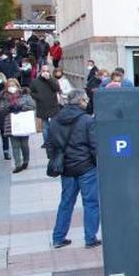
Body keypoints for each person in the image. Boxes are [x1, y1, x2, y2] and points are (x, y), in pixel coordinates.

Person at [47, 89, 101, 249]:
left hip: (66, 169)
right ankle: (90, 239)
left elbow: (49, 144)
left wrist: (56, 159)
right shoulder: (87, 120)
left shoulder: (55, 120)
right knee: (91, 203)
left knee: (65, 203)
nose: (87, 103)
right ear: (81, 102)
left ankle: (58, 238)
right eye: (85, 100)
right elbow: (95, 146)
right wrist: (95, 163)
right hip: (86, 168)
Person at [0, 80, 35, 173]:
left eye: (13, 85)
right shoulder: (4, 97)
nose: (12, 87)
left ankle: (26, 161)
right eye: (9, 86)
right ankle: (18, 164)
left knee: (24, 144)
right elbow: (1, 109)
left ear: (17, 86)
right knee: (15, 145)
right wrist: (8, 108)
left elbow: (32, 105)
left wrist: (22, 107)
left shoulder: (25, 95)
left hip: (23, 122)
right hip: (11, 122)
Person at [31, 65, 61, 136]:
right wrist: (38, 97)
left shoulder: (53, 80)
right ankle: (47, 143)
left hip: (53, 105)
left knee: (54, 126)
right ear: (41, 71)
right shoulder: (35, 81)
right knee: (45, 126)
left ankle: (54, 141)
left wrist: (49, 79)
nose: (45, 73)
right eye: (44, 71)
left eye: (47, 71)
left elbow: (57, 88)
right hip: (42, 106)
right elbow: (31, 92)